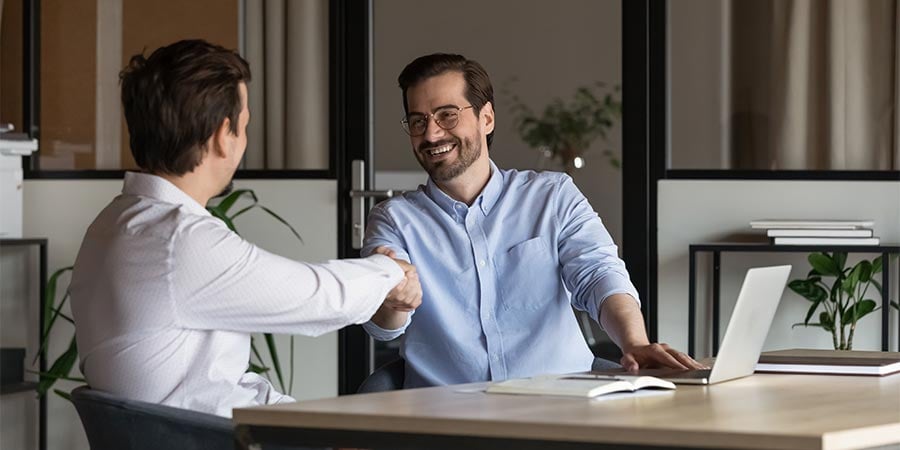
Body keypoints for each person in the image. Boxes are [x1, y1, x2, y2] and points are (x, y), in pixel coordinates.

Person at [69, 40, 421, 417]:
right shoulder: (179, 241)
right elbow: (315, 296)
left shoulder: (112, 224)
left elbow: (210, 380)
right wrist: (391, 272)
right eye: (245, 125)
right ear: (224, 135)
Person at [361, 53, 703, 388]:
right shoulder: (394, 220)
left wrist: (634, 342)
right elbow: (384, 325)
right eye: (418, 121)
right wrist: (394, 301)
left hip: (561, 407)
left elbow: (598, 274)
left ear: (487, 118)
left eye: (447, 115)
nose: (432, 134)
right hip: (446, 417)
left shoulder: (552, 196)